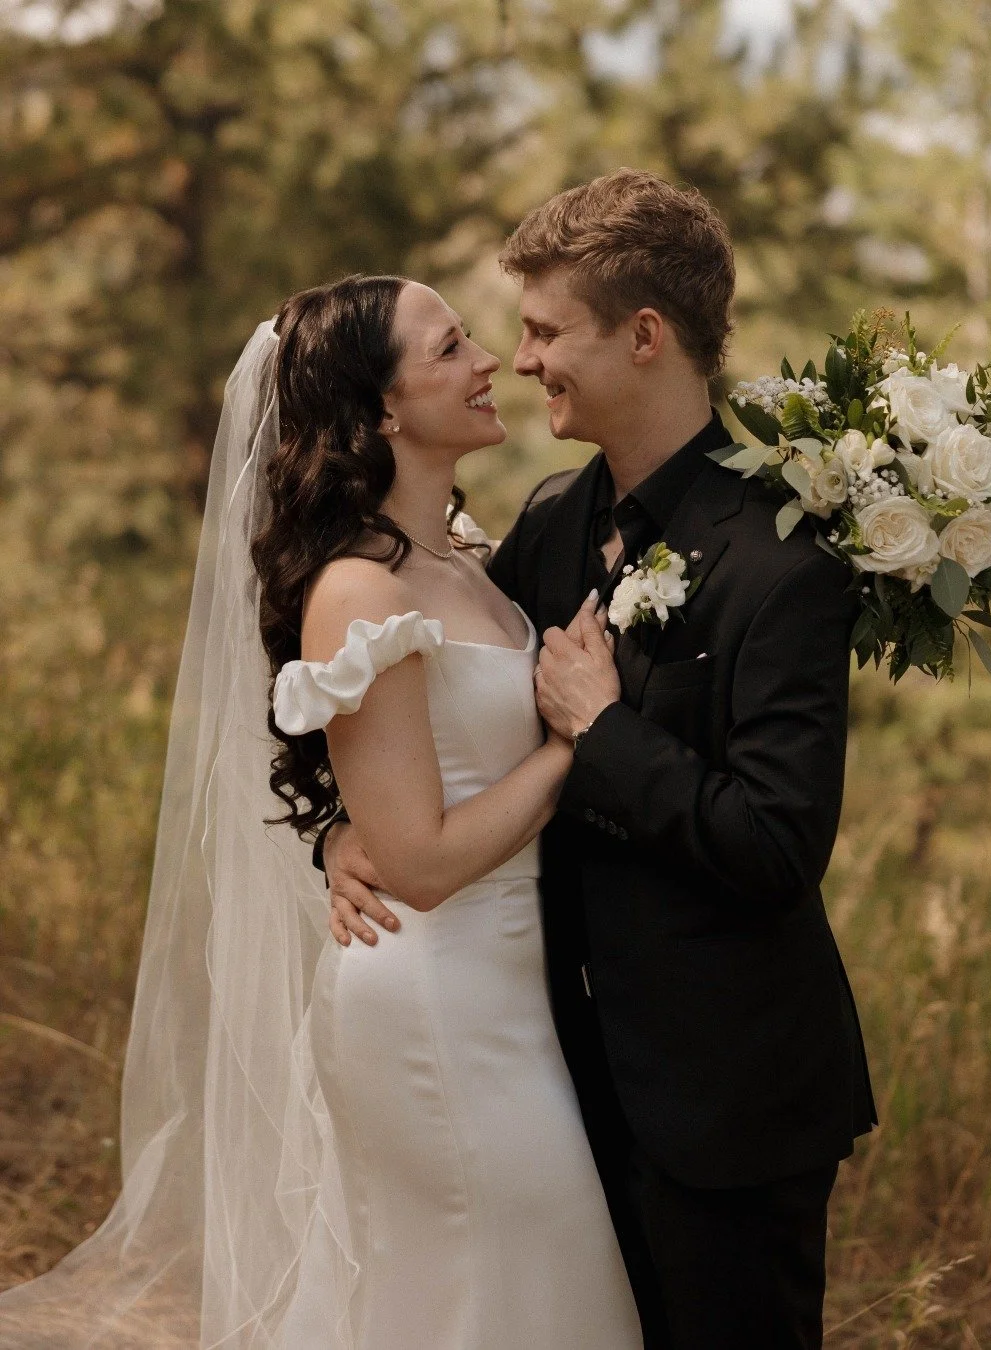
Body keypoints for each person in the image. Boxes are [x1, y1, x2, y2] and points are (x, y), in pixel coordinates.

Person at [0, 273, 643, 1348]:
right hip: (433, 1001)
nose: (489, 362)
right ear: (383, 409)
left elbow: (402, 789)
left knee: (515, 1295)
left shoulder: (468, 561)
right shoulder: (359, 590)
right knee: (492, 1292)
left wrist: (348, 832)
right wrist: (584, 741)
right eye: (451, 349)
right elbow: (423, 862)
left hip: (509, 997)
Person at [322, 168, 878, 1350]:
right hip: (545, 1081)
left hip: (722, 1109)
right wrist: (344, 836)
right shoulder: (551, 522)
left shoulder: (785, 558)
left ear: (643, 335)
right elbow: (433, 723)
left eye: (543, 330)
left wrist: (606, 733)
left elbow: (776, 845)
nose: (521, 361)